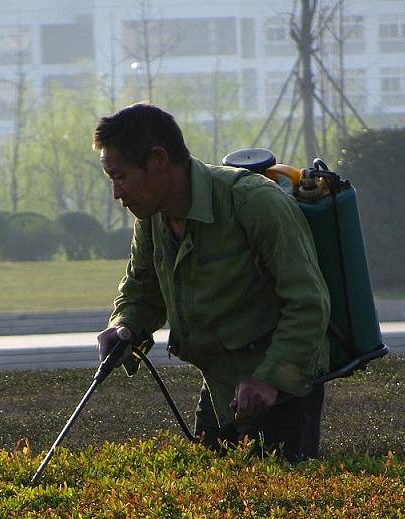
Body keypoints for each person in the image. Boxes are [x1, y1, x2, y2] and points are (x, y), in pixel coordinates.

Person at [94, 103, 330, 461]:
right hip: (220, 387)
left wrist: (269, 379)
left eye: (121, 176)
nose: (116, 193)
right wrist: (124, 326)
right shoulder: (152, 217)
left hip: (281, 389)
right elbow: (141, 291)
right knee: (215, 499)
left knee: (277, 501)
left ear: (158, 160)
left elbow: (309, 302)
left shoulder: (252, 202)